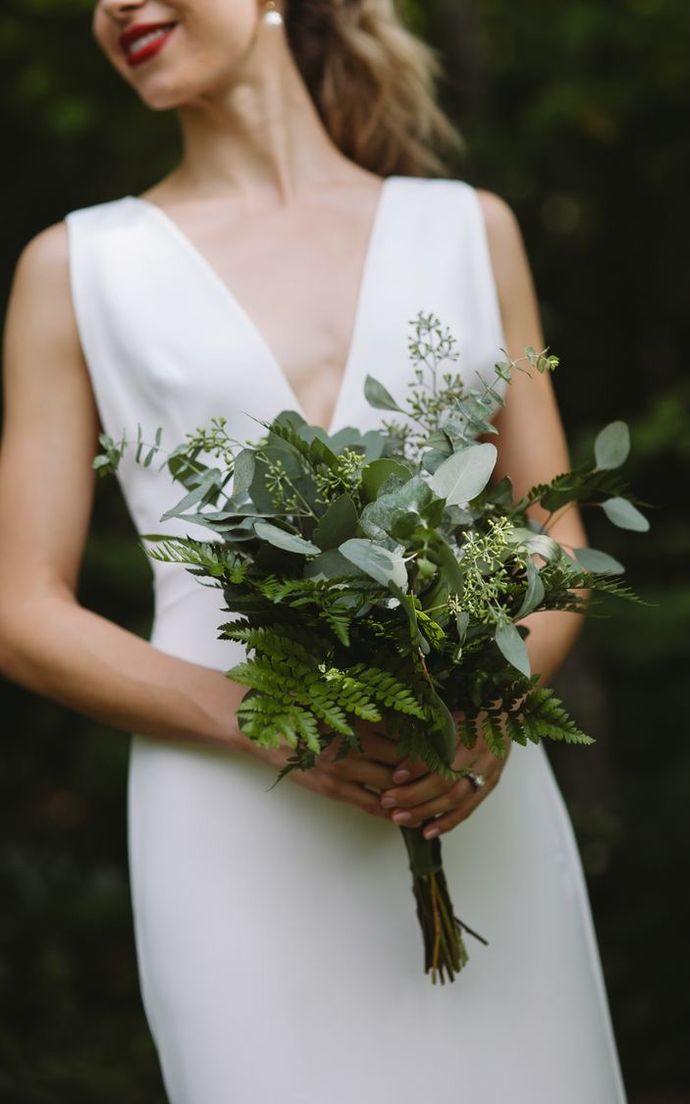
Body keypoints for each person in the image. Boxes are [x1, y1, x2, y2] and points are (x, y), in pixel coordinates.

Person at [0, 1, 628, 1100]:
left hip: (470, 800)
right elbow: (20, 606)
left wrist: (489, 711)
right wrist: (257, 723)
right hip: (233, 833)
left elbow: (552, 535)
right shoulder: (75, 268)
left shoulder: (469, 230)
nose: (116, 7)